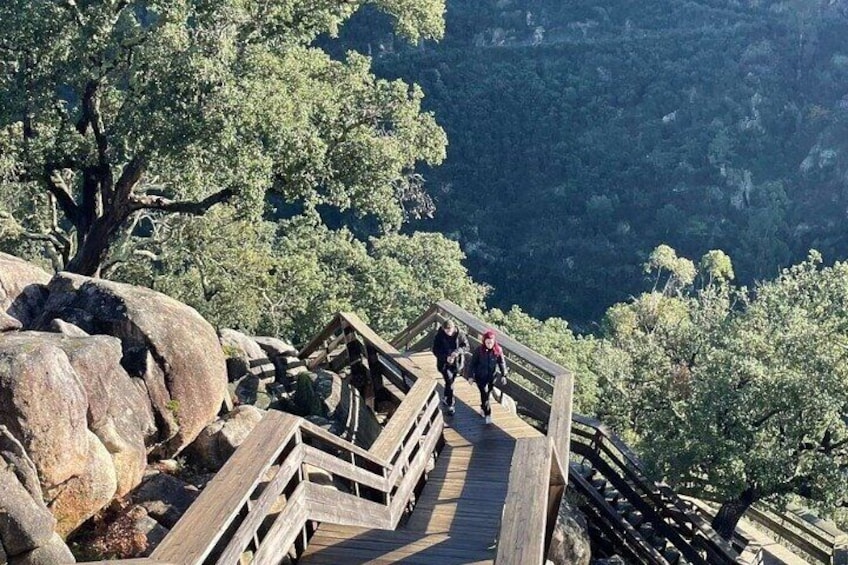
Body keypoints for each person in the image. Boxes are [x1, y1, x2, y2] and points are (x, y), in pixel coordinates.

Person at [469, 329, 507, 424]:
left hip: (491, 377)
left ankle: (483, 407)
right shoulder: (479, 351)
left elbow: (502, 363)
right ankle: (488, 414)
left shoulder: (498, 351)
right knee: (485, 394)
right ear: (484, 341)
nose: (489, 344)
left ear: (494, 342)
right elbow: (472, 364)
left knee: (487, 394)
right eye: (487, 342)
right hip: (480, 376)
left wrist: (503, 374)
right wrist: (470, 376)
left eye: (491, 342)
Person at [431, 319, 469, 415]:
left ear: (454, 328)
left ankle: (446, 397)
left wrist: (457, 352)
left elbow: (466, 347)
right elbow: (435, 350)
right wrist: (445, 357)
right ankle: (450, 405)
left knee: (450, 381)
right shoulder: (439, 335)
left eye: (450, 331)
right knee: (449, 380)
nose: (448, 333)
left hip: (456, 363)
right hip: (444, 363)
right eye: (446, 331)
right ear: (443, 329)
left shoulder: (460, 334)